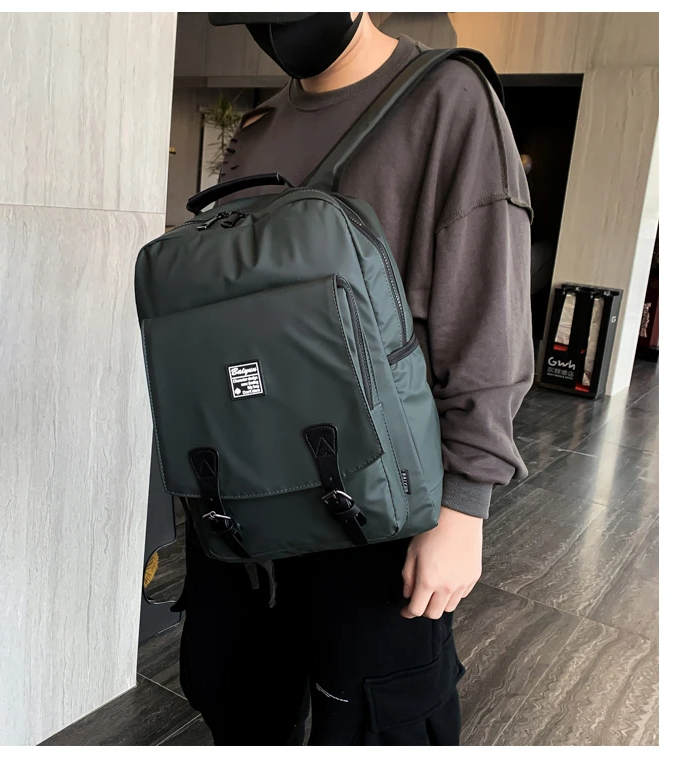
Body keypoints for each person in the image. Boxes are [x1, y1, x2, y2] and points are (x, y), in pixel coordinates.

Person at [177, 12, 533, 746]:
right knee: (230, 688)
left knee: (374, 715)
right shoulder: (259, 126)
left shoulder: (445, 97)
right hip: (246, 488)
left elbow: (486, 312)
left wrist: (465, 506)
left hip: (378, 493)